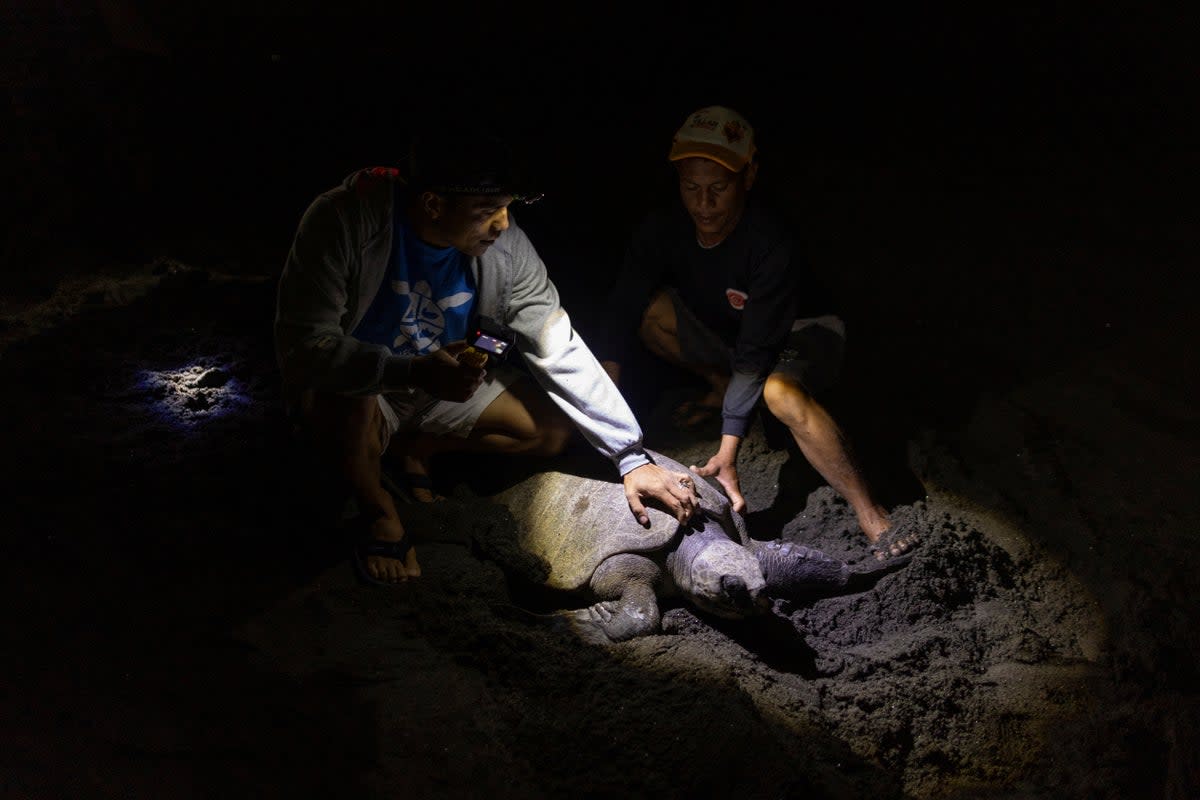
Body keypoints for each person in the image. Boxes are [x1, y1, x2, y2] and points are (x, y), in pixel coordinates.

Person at [274, 129, 700, 584]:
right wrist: (409, 370)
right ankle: (379, 511)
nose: (502, 224)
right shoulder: (344, 221)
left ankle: (415, 448)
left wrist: (629, 456)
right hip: (367, 391)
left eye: (506, 208)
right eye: (486, 212)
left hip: (443, 385)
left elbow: (555, 338)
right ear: (434, 204)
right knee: (348, 391)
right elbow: (305, 348)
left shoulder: (506, 243)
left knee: (552, 430)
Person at [595, 105, 918, 561]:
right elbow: (619, 311)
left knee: (779, 394)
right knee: (650, 313)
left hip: (800, 332)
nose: (704, 204)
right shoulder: (661, 227)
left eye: (719, 188)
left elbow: (756, 350)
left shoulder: (770, 239)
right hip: (733, 333)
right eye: (692, 188)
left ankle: (871, 512)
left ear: (749, 176)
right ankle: (722, 388)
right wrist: (603, 417)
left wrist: (729, 451)